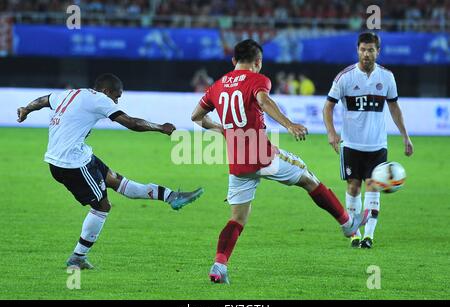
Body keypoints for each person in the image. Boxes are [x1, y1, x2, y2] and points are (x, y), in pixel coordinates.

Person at [191, 39, 368, 284]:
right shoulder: (258, 80)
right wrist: (289, 124)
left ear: (233, 61)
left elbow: (196, 117)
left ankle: (219, 266)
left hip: (238, 164)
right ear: (258, 62)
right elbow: (263, 101)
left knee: (237, 219)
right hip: (263, 156)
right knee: (308, 178)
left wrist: (222, 128)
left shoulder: (217, 86)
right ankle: (348, 225)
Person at [16, 73, 204, 269]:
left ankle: (171, 197)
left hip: (77, 156)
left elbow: (43, 100)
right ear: (106, 91)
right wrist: (160, 127)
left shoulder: (71, 93)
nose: (116, 101)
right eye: (116, 96)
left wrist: (26, 109)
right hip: (71, 164)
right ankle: (78, 257)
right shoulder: (99, 99)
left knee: (117, 181)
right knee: (102, 207)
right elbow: (131, 123)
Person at [323, 32, 414, 249]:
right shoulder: (344, 77)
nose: (366, 54)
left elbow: (394, 107)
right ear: (357, 50)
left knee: (373, 187)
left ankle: (368, 237)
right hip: (352, 144)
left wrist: (405, 136)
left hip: (377, 145)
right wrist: (331, 133)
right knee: (353, 188)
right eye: (363, 49)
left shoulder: (387, 77)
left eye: (371, 50)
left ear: (378, 52)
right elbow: (328, 106)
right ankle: (354, 232)